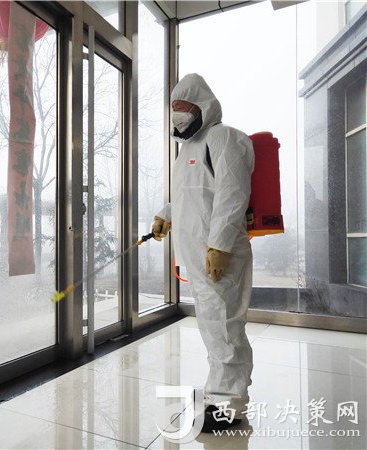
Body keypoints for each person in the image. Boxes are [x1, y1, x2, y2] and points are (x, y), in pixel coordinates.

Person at [152, 73, 255, 433]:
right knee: (213, 326)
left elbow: (232, 192)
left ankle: (229, 406)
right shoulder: (187, 151)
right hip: (198, 254)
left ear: (202, 106)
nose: (177, 113)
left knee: (224, 325)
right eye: (173, 107)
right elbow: (190, 196)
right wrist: (165, 215)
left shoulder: (224, 138)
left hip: (218, 253)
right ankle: (219, 393)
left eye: (183, 106)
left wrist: (221, 245)